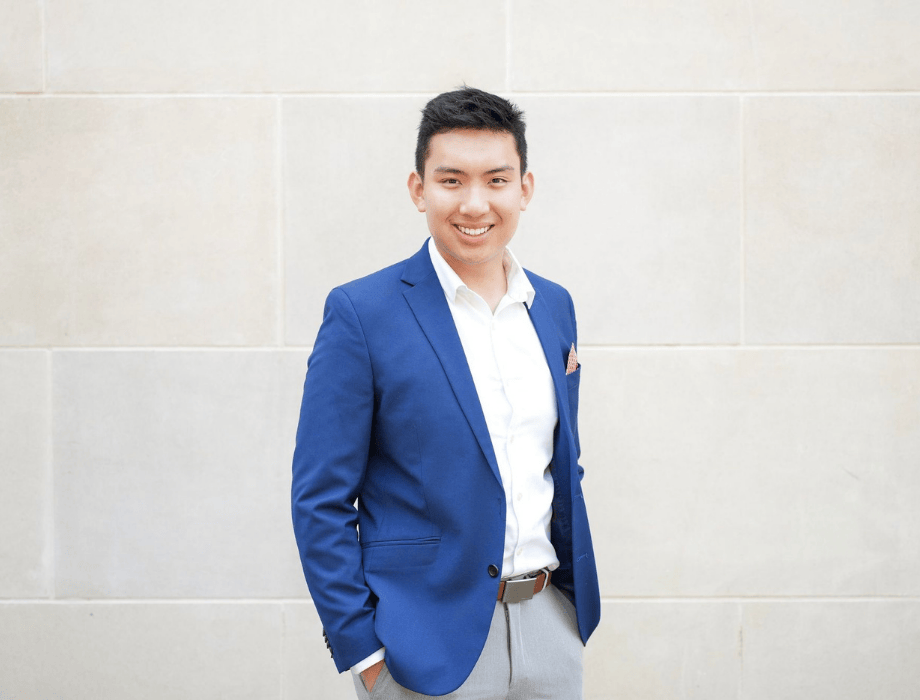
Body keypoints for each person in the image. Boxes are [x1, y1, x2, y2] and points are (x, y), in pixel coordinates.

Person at [291, 87, 600, 699]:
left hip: (549, 627)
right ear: (418, 189)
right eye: (452, 180)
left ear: (525, 188)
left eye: (496, 179)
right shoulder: (362, 313)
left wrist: (568, 614)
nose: (475, 203)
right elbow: (320, 499)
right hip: (422, 646)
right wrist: (365, 652)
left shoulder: (553, 307)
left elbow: (558, 464)